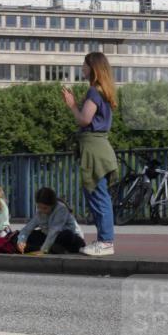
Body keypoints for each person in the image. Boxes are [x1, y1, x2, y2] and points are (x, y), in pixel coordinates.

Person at [62, 51, 118, 257]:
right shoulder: (104, 90)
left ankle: (105, 241)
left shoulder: (94, 92)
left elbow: (84, 120)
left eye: (84, 65)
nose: (82, 68)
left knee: (97, 194)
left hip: (94, 149)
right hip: (99, 147)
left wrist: (72, 105)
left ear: (93, 68)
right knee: (97, 194)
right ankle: (104, 240)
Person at [17, 187, 86, 255]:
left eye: (45, 208)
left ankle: (47, 248)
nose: (41, 210)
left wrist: (43, 250)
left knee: (65, 235)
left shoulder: (61, 209)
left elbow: (54, 231)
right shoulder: (39, 212)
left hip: (71, 239)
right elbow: (27, 229)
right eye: (39, 207)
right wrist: (21, 241)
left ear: (52, 205)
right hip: (50, 238)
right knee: (26, 235)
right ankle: (51, 249)